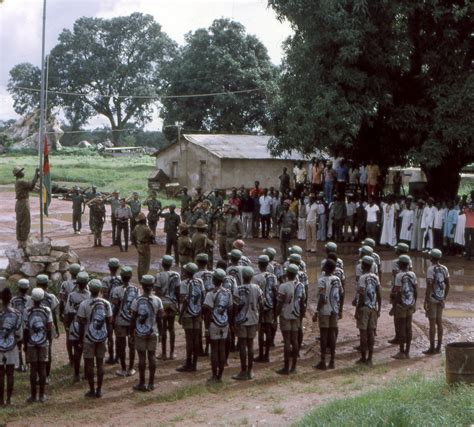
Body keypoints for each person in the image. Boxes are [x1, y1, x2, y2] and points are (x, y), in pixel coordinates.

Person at [77, 279, 113, 399]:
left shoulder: (84, 304)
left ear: (90, 289)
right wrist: (110, 338)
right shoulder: (106, 304)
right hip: (102, 338)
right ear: (100, 290)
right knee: (100, 363)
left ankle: (92, 389)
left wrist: (80, 339)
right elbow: (109, 322)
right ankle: (99, 389)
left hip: (88, 338)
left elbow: (81, 323)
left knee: (89, 364)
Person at [130, 275, 164, 392]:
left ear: (142, 286)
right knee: (152, 356)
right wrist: (161, 332)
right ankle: (151, 383)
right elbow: (160, 318)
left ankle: (142, 383)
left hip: (140, 332)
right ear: (152, 286)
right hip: (153, 332)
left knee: (141, 358)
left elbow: (133, 319)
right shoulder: (158, 300)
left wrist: (131, 334)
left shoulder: (137, 301)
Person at [203, 268, 233, 382]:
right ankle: (220, 375)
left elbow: (207, 311)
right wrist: (229, 323)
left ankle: (214, 375)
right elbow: (230, 309)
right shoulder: (228, 293)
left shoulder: (211, 293)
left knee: (214, 350)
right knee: (222, 349)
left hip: (214, 323)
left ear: (214, 280)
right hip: (224, 323)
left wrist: (206, 328)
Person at [232, 267, 262, 380]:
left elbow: (235, 307)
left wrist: (233, 321)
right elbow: (262, 304)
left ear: (242, 277)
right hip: (254, 319)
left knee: (242, 346)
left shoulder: (237, 289)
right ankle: (250, 370)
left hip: (241, 321)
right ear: (252, 277)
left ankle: (243, 371)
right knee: (251, 346)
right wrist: (260, 319)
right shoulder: (257, 288)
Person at [28, 275, 59, 383]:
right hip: (47, 328)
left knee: (34, 352)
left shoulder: (31, 298)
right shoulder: (51, 297)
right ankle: (46, 375)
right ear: (47, 285)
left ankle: (36, 374)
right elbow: (54, 314)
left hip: (33, 329)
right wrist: (56, 329)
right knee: (47, 352)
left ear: (37, 284)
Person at [275, 264, 305, 375]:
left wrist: (275, 315)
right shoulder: (300, 285)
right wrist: (301, 315)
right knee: (295, 340)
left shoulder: (283, 286)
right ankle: (294, 367)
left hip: (285, 314)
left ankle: (286, 367)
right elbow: (302, 302)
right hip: (296, 314)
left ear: (287, 273)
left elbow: (279, 303)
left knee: (287, 341)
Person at [313, 259, 343, 370]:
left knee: (324, 335)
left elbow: (321, 297)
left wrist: (316, 311)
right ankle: (332, 361)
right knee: (332, 334)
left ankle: (323, 361)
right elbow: (340, 293)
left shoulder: (322, 280)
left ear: (325, 268)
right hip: (334, 309)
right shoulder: (337, 279)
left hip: (324, 310)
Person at [24, 288, 52, 403]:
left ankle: (33, 395)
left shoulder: (27, 310)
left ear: (32, 298)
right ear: (42, 299)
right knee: (42, 367)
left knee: (33, 368)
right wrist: (48, 341)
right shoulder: (47, 310)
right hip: (43, 342)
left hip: (31, 342)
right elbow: (49, 328)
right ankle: (42, 395)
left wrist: (25, 345)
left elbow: (25, 330)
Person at [177, 263, 205, 372]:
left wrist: (180, 315)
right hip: (197, 313)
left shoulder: (184, 283)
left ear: (186, 272)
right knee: (196, 339)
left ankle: (188, 363)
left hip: (188, 314)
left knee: (189, 340)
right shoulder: (200, 282)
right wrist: (201, 311)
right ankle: (195, 363)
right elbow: (202, 297)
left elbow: (184, 301)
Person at [111, 266, 139, 377]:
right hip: (132, 321)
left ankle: (123, 368)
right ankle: (131, 368)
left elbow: (116, 305)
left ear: (121, 277)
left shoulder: (116, 290)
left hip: (120, 321)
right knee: (132, 344)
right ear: (131, 277)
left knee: (121, 345)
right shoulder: (136, 289)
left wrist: (113, 318)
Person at [354, 256, 381, 366]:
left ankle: (363, 358)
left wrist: (357, 310)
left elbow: (361, 295)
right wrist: (379, 308)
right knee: (371, 333)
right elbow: (379, 294)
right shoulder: (375, 277)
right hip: (373, 307)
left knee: (363, 333)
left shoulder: (362, 278)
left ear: (363, 266)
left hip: (364, 307)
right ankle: (370, 358)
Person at [64, 272, 91, 382]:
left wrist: (67, 325)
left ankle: (76, 374)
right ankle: (86, 373)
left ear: (77, 283)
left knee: (77, 350)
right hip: (87, 326)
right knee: (87, 350)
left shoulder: (71, 295)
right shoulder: (90, 295)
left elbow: (68, 312)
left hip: (75, 324)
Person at [252, 255, 278, 363]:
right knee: (268, 330)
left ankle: (261, 354)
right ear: (267, 265)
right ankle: (267, 355)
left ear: (258, 265)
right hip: (270, 305)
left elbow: (256, 295)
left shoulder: (256, 278)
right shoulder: (273, 277)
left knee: (261, 331)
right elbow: (275, 292)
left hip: (261, 307)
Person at [423, 249, 450, 354]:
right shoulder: (444, 268)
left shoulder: (430, 269)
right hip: (440, 298)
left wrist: (426, 300)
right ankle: (439, 347)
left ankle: (432, 347)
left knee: (432, 323)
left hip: (432, 298)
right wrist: (444, 297)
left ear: (431, 258)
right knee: (439, 322)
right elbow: (448, 284)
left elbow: (429, 286)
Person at [391, 255, 417, 359]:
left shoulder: (399, 276)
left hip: (401, 304)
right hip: (410, 303)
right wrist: (414, 302)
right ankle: (407, 351)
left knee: (401, 327)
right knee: (408, 327)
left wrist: (394, 306)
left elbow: (397, 293)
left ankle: (401, 352)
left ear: (400, 264)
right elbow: (415, 290)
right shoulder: (413, 274)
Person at [154, 255, 180, 360]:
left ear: (163, 264)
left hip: (163, 303)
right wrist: (178, 304)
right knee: (172, 328)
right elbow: (178, 291)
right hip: (173, 303)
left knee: (163, 328)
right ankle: (172, 352)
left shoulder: (159, 275)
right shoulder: (176, 275)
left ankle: (164, 352)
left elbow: (157, 291)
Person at [0, 287, 22, 405]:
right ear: (10, 298)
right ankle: (9, 399)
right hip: (12, 345)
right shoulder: (17, 314)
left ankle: (0, 400)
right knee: (10, 373)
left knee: (0, 374)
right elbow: (19, 333)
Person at [59, 263, 81, 366]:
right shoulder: (84, 283)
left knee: (69, 336)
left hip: (68, 313)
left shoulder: (65, 284)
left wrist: (60, 313)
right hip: (81, 313)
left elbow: (62, 300)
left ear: (70, 272)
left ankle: (71, 359)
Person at [388, 243, 410, 345]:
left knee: (397, 315)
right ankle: (405, 336)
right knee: (407, 316)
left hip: (397, 289)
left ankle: (398, 336)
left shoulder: (395, 262)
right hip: (407, 291)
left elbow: (395, 275)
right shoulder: (409, 261)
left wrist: (393, 293)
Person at [101, 258, 122, 364]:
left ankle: (111, 355)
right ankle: (118, 356)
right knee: (119, 335)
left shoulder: (105, 280)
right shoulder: (121, 279)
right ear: (118, 268)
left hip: (108, 311)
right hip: (119, 310)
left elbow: (104, 295)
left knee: (109, 335)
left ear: (109, 267)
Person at [13, 166, 39, 248]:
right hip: (23, 203)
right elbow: (31, 186)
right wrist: (36, 175)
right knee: (25, 222)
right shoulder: (21, 181)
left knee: (20, 222)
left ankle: (20, 241)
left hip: (20, 203)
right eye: (21, 171)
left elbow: (30, 188)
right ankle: (23, 241)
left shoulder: (19, 181)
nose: (23, 172)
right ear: (18, 174)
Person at [195, 253, 213, 356]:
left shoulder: (196, 275)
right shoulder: (212, 273)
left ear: (198, 263)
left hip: (199, 303)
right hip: (210, 303)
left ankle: (200, 348)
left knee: (199, 327)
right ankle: (208, 348)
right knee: (208, 326)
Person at [11, 278, 31, 372]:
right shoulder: (31, 299)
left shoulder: (14, 300)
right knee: (27, 345)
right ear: (28, 288)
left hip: (17, 326)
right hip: (28, 325)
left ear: (18, 288)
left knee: (18, 346)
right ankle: (27, 364)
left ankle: (21, 364)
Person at [133, 212, 154, 281]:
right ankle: (143, 278)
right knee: (145, 263)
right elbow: (152, 236)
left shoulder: (136, 227)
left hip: (139, 245)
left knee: (140, 262)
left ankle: (140, 277)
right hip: (145, 246)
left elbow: (133, 236)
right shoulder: (146, 228)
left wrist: (136, 246)